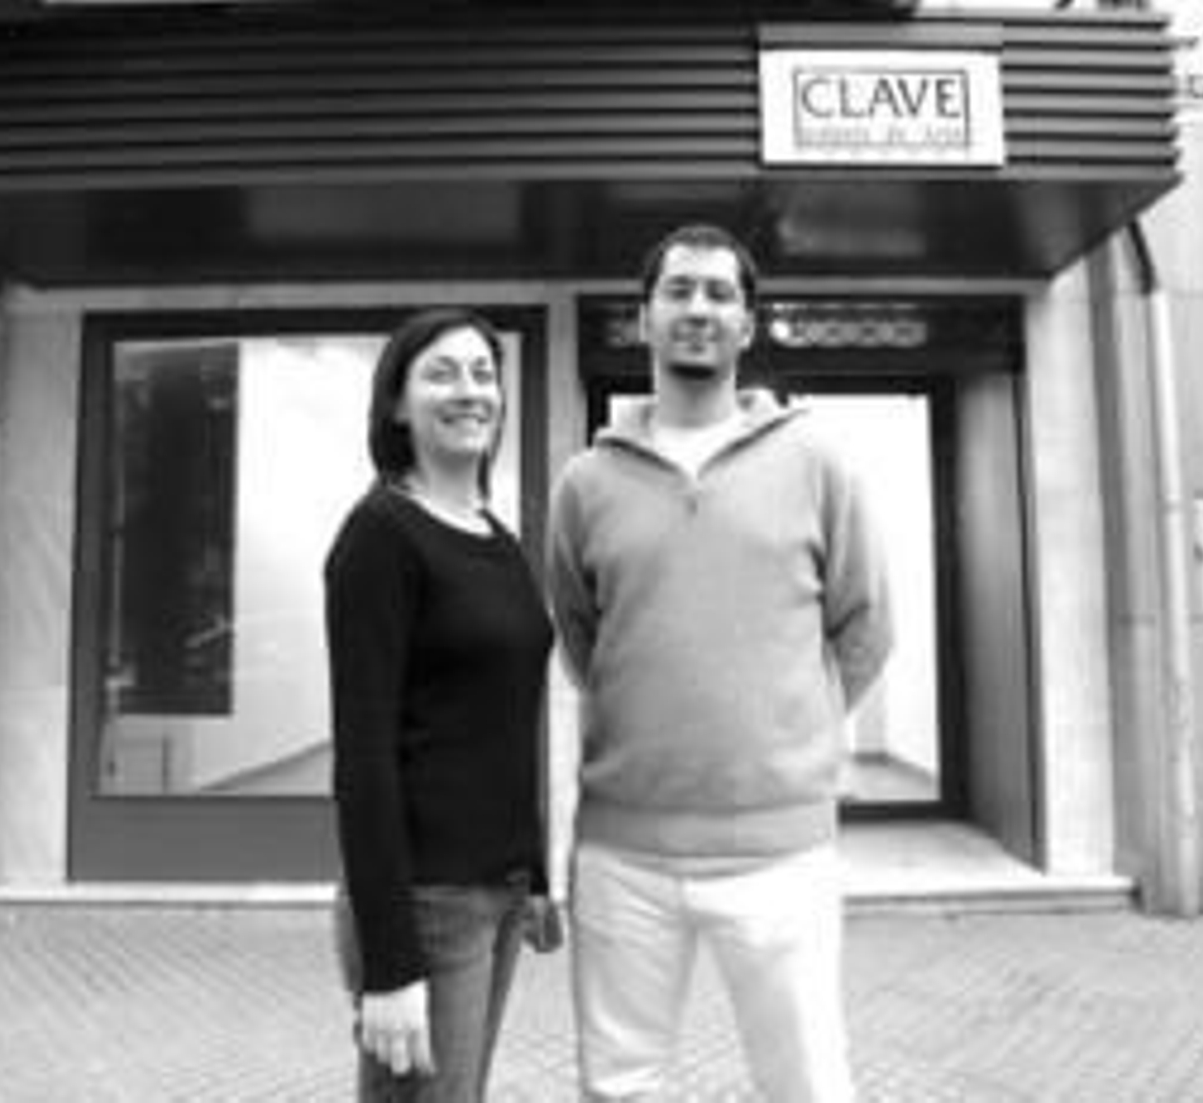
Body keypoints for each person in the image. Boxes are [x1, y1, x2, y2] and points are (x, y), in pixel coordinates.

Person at [547, 224, 894, 1101]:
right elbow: (584, 639)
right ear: (643, 319)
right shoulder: (585, 482)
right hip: (623, 853)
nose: (698, 308)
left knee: (808, 1084)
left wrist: (793, 734)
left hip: (781, 854)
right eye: (678, 290)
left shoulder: (815, 462)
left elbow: (865, 625)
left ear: (747, 323)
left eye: (719, 292)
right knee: (621, 1085)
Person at [325, 307, 555, 1102]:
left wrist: (532, 870)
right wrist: (390, 964)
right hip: (425, 901)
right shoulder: (380, 536)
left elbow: (503, 719)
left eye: (484, 373)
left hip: (497, 889)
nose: (470, 390)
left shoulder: (496, 536)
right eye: (442, 373)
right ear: (397, 403)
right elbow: (362, 756)